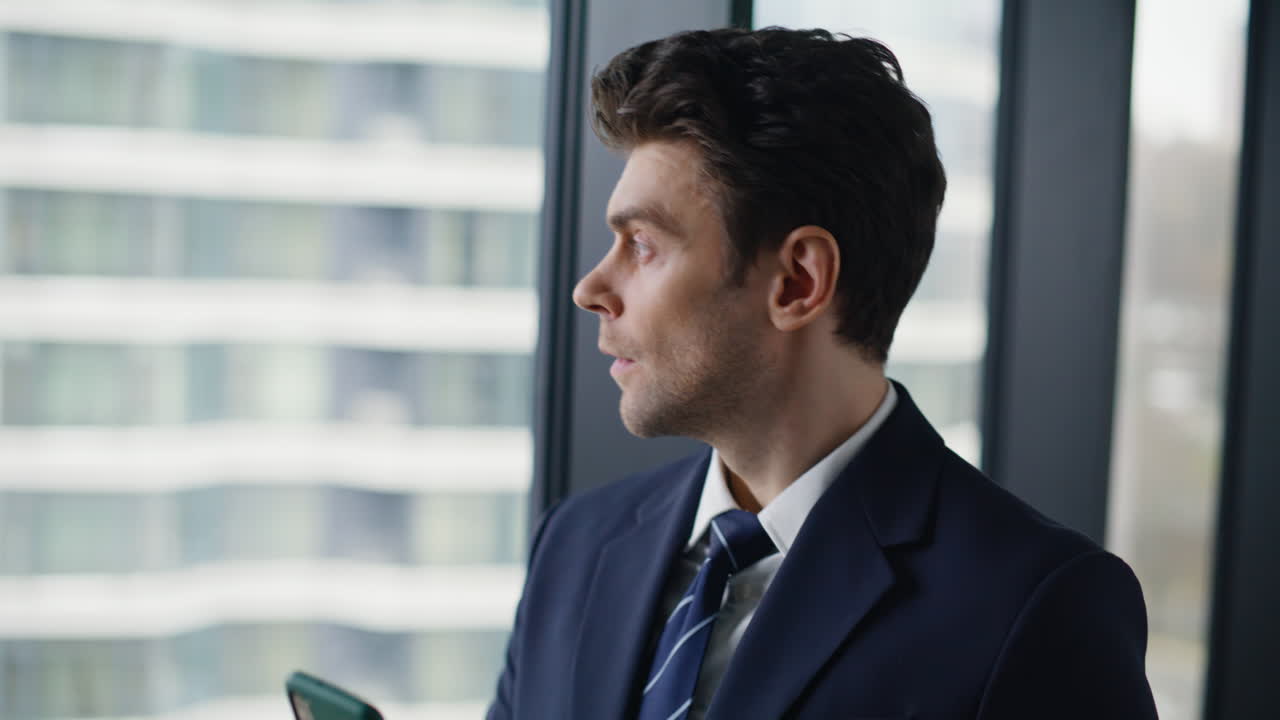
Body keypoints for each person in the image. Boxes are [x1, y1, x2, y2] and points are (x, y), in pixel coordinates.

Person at [487, 27, 1157, 720]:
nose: (591, 286)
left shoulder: (1037, 607)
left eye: (644, 244)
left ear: (797, 281)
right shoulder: (575, 543)